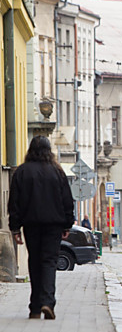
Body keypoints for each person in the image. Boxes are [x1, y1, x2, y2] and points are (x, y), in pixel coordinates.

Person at [8, 136, 74, 320]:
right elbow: (67, 200)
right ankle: (47, 301)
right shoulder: (57, 172)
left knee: (35, 262)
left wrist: (15, 228)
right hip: (53, 225)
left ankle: (35, 308)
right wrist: (67, 223)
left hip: (31, 225)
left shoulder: (21, 172)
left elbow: (14, 203)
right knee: (49, 262)